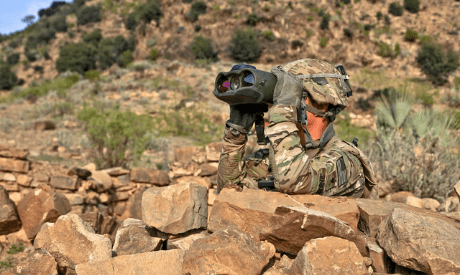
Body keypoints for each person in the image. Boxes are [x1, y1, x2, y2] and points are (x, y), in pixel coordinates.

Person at [216, 58, 378, 199]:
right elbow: (228, 194)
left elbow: (293, 181)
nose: (278, 104)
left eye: (292, 95)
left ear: (322, 104)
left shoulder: (346, 162)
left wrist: (284, 108)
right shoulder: (270, 159)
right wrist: (236, 134)